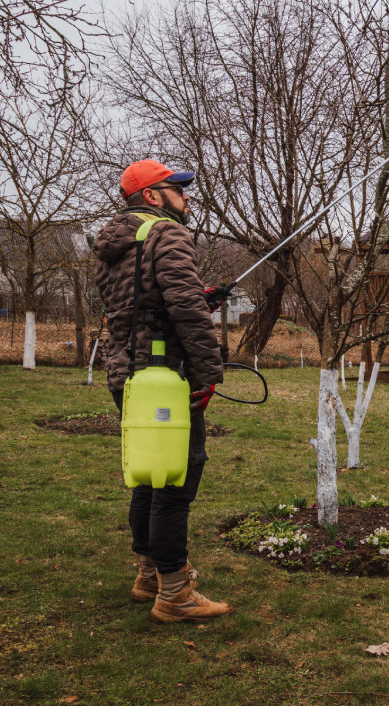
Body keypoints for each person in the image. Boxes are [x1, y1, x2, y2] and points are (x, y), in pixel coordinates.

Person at [93, 159, 232, 623]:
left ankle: (149, 574)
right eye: (177, 189)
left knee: (148, 472)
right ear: (153, 196)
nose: (186, 196)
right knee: (175, 477)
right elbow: (186, 312)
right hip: (166, 378)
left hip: (127, 375)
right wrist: (210, 372)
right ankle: (175, 593)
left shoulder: (118, 242)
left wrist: (198, 294)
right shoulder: (167, 233)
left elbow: (143, 303)